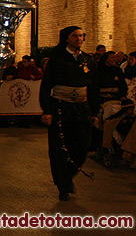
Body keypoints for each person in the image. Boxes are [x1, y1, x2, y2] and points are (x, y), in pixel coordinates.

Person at [39, 26, 99, 201]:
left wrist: (95, 111)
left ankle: (69, 175)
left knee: (82, 145)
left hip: (82, 108)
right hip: (60, 108)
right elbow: (46, 86)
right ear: (67, 38)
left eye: (81, 36)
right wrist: (47, 110)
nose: (79, 39)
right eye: (75, 36)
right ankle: (63, 184)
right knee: (60, 146)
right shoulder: (57, 60)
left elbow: (94, 87)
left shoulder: (88, 60)